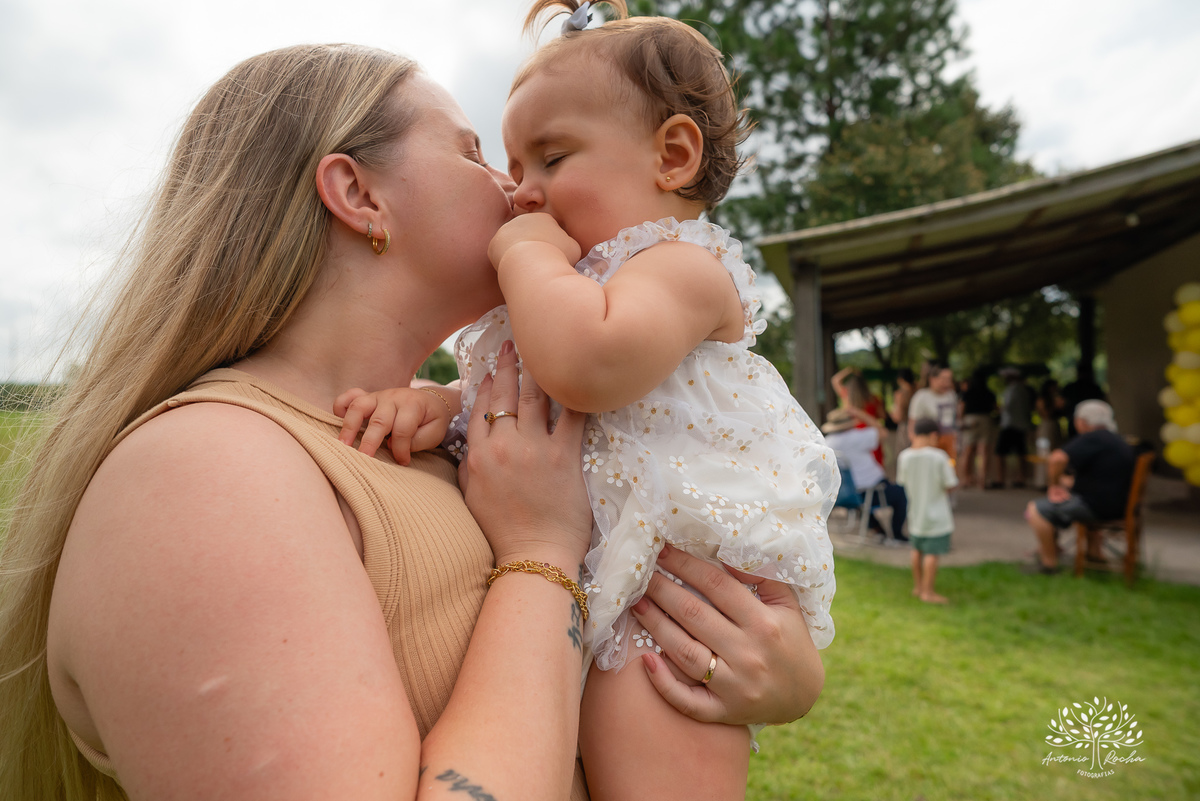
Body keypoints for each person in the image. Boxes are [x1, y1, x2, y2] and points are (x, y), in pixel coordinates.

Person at [0, 43, 826, 801]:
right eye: (477, 154)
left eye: (538, 159)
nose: (517, 190)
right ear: (359, 195)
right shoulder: (199, 473)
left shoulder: (447, 443)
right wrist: (542, 551)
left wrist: (773, 670)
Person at [317, 4, 838, 799]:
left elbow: (587, 368)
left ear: (672, 156)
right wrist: (445, 404)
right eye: (512, 165)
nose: (522, 192)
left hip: (669, 605)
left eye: (551, 158)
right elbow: (527, 391)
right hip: (592, 585)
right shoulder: (567, 290)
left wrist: (526, 253)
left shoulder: (680, 265)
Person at [1024, 400, 1135, 574]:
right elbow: (1100, 479)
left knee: (1035, 510)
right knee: (1058, 502)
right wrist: (1064, 483)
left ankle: (1049, 563)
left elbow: (1057, 459)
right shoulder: (1116, 440)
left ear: (1082, 421)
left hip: (1097, 507)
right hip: (1118, 505)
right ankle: (1094, 554)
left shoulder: (1093, 438)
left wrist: (1053, 486)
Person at [823, 407, 909, 544]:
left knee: (865, 498)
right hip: (870, 491)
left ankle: (878, 530)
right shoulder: (858, 437)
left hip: (845, 493)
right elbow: (883, 433)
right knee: (900, 493)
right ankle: (896, 534)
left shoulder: (827, 442)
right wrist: (861, 414)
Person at [896, 418, 959, 604]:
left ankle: (918, 587)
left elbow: (902, 482)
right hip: (937, 515)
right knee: (932, 553)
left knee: (916, 550)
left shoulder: (904, 456)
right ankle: (928, 592)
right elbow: (950, 484)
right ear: (933, 435)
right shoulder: (939, 456)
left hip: (915, 513)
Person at [833, 365, 885, 466]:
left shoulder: (847, 398)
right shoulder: (874, 399)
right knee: (875, 464)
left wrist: (850, 369)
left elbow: (835, 380)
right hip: (872, 433)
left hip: (855, 433)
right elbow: (882, 416)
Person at [908, 363, 959, 459]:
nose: (947, 383)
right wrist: (917, 446)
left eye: (949, 379)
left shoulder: (951, 395)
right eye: (943, 379)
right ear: (932, 379)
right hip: (929, 444)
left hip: (949, 442)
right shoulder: (921, 397)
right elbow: (912, 425)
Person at [957, 367, 996, 490]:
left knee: (967, 451)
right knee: (983, 452)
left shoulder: (967, 393)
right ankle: (982, 480)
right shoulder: (989, 393)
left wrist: (961, 421)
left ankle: (965, 479)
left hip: (970, 420)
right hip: (985, 419)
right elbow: (995, 408)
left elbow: (961, 408)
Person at [995, 367, 1033, 489]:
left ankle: (1001, 479)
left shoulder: (1013, 389)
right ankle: (1021, 478)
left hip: (1010, 424)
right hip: (1021, 424)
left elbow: (1007, 406)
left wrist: (998, 409)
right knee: (1020, 452)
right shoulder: (1023, 389)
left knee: (1001, 452)